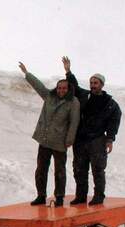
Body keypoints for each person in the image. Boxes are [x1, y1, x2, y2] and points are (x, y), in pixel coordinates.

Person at [19, 61, 80, 206]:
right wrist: (27, 73)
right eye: (59, 88)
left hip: (60, 142)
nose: (61, 90)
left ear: (68, 89)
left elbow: (74, 122)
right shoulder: (49, 96)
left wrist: (70, 140)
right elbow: (38, 86)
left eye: (64, 88)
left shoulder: (73, 102)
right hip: (45, 139)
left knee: (59, 172)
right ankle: (41, 195)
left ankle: (59, 197)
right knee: (41, 169)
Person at [63, 56, 122, 206]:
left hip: (97, 140)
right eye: (91, 83)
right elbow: (74, 86)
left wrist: (110, 139)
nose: (93, 85)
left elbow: (114, 121)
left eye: (95, 83)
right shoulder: (85, 95)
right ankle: (81, 196)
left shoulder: (110, 103)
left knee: (98, 170)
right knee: (79, 169)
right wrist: (68, 71)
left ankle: (98, 196)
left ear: (102, 85)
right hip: (81, 139)